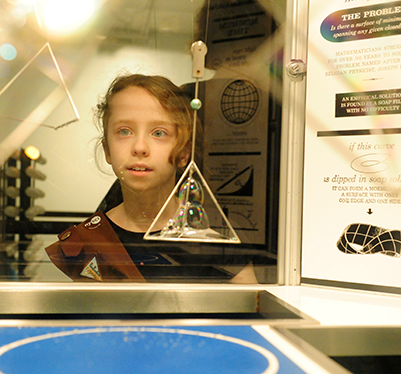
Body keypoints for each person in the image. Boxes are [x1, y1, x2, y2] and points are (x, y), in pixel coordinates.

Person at [45, 74, 259, 283]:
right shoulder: (86, 244)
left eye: (158, 133)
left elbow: (248, 310)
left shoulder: (218, 240)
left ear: (184, 153)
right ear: (107, 150)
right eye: (124, 131)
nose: (139, 148)